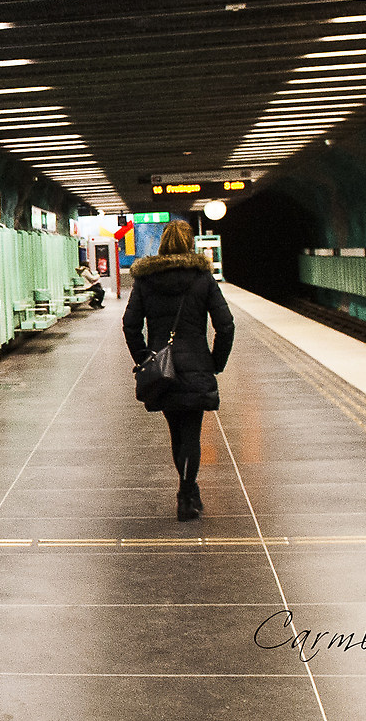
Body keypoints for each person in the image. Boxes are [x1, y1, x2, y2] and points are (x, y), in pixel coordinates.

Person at [123, 220, 235, 521]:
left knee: (177, 432)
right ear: (190, 245)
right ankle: (187, 493)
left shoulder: (146, 280)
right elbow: (226, 325)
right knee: (192, 433)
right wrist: (215, 361)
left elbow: (130, 325)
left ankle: (187, 490)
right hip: (197, 363)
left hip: (163, 368)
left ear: (163, 244)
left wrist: (145, 359)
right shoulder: (202, 278)